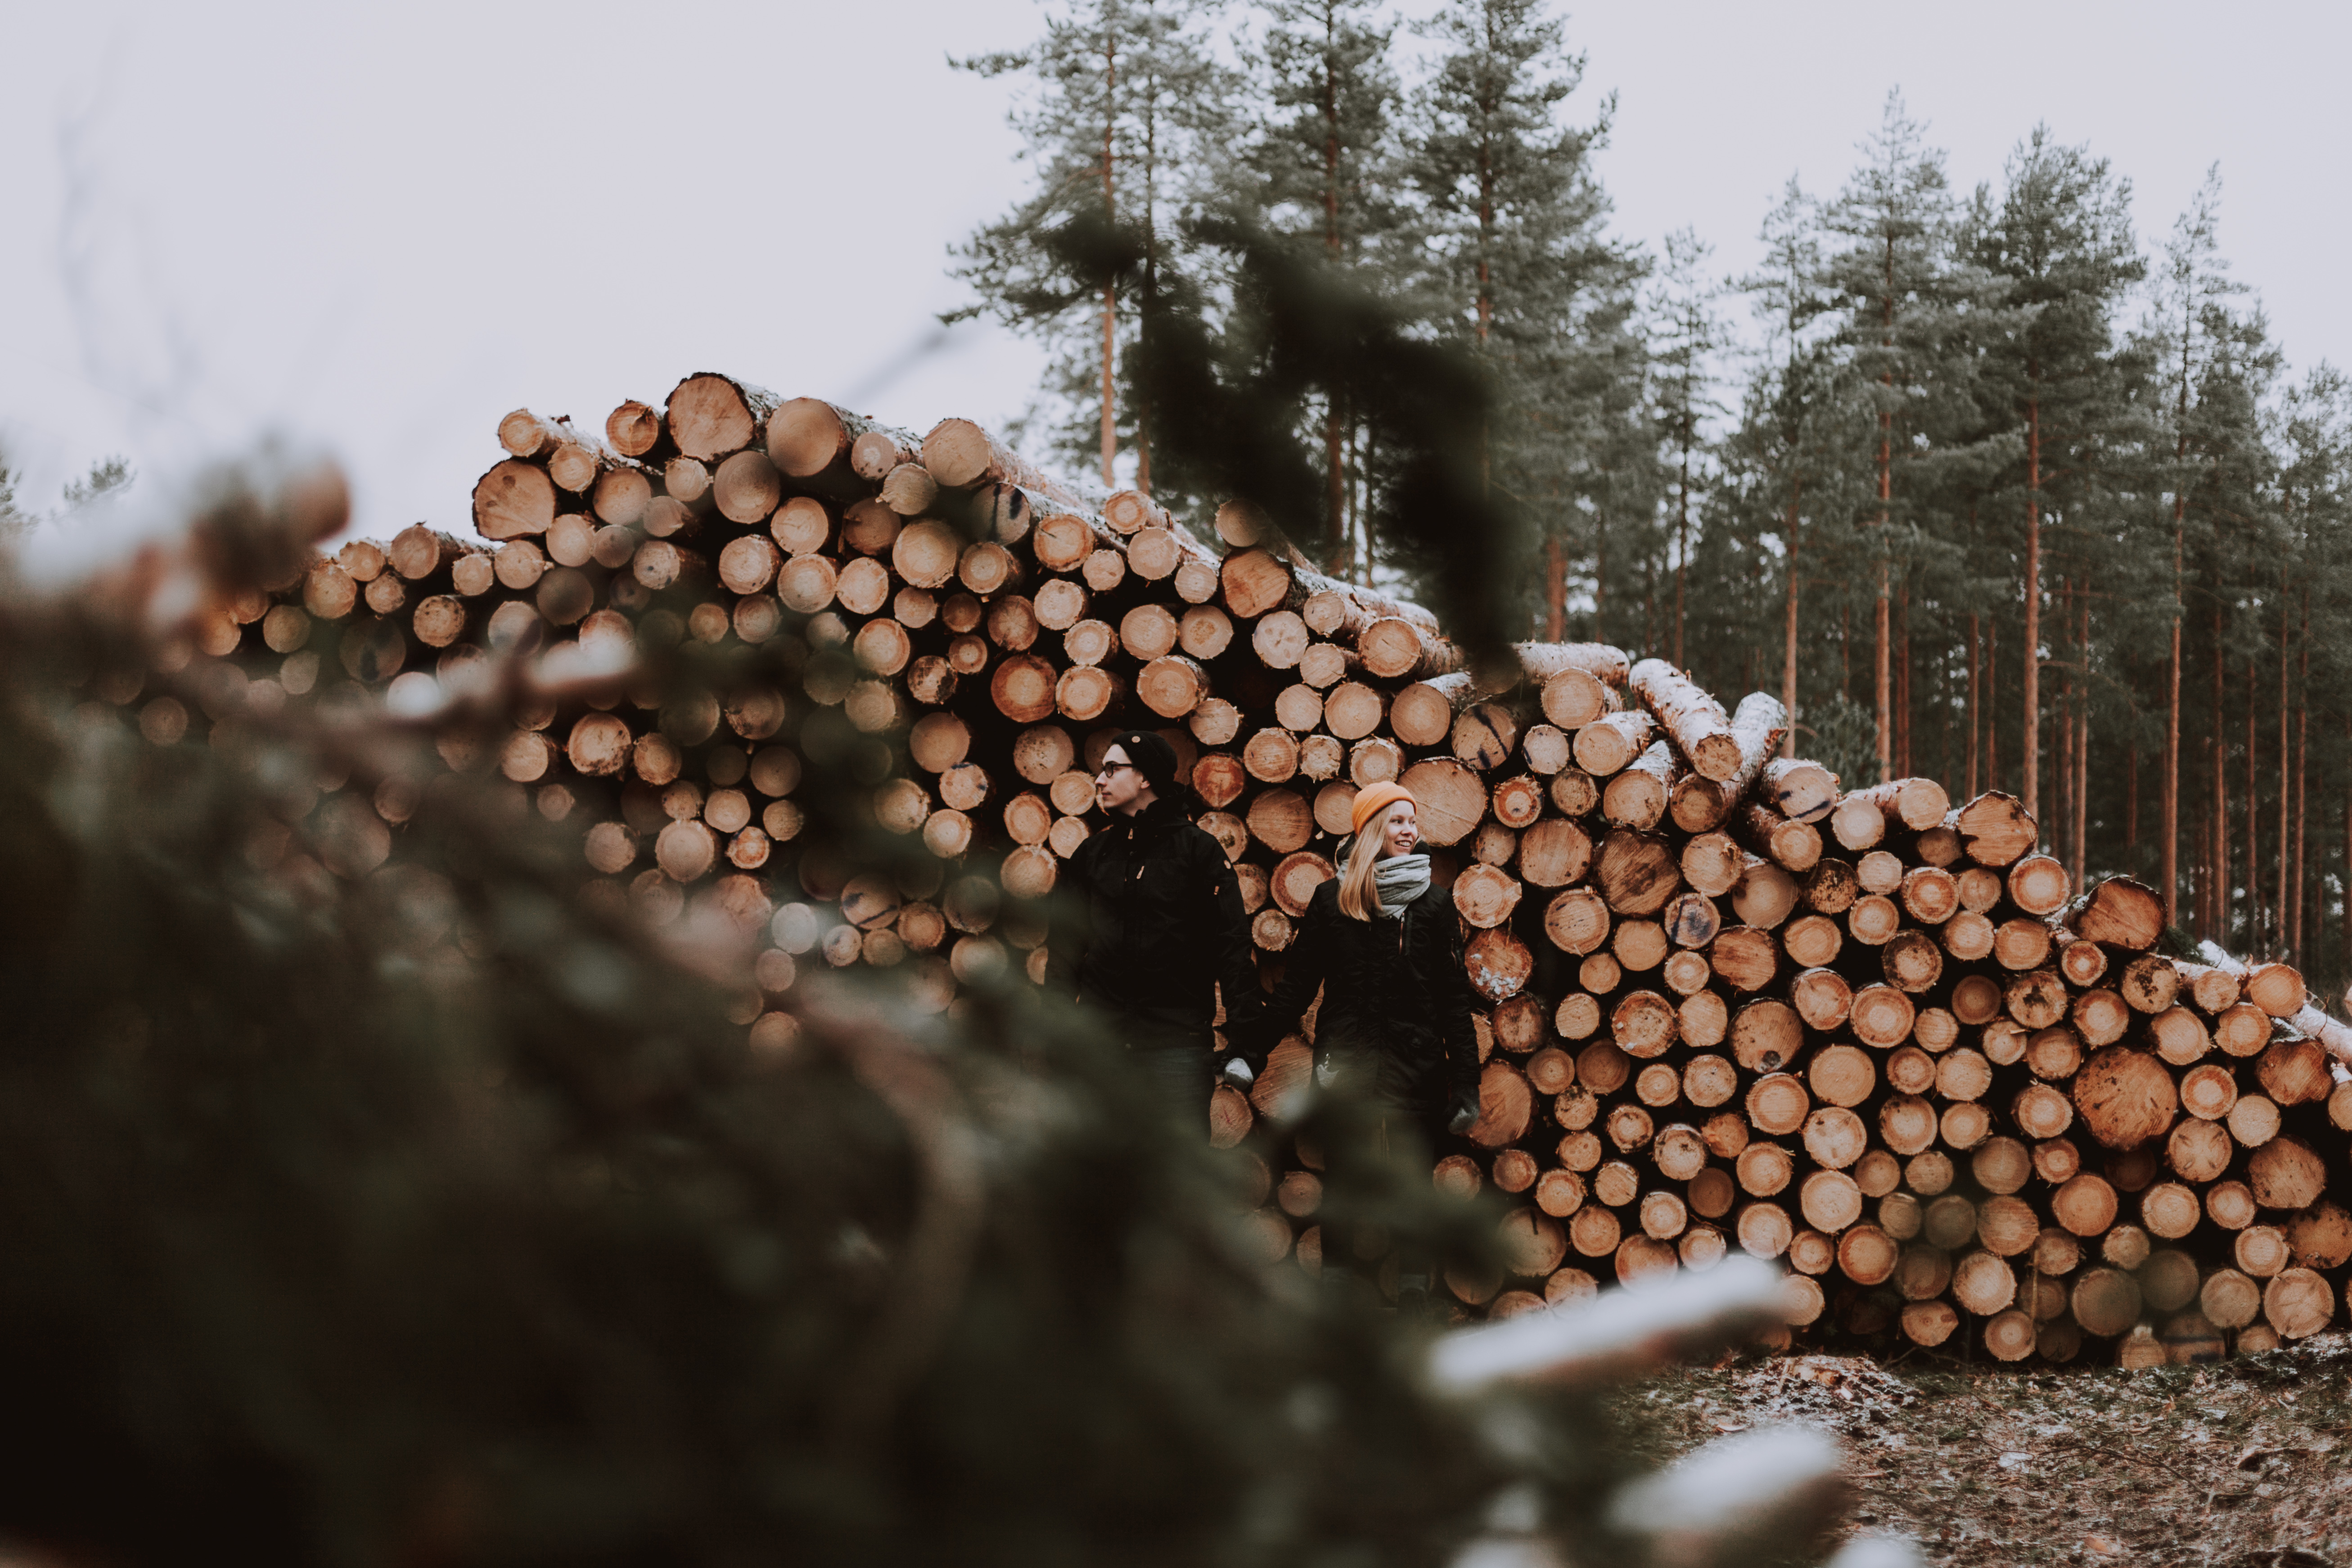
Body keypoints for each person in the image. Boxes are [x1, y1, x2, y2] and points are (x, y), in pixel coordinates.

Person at [1246, 782, 1482, 1307]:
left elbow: (1453, 1003)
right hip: (1345, 1067)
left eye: (1412, 821)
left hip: (1415, 1066)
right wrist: (1250, 1050)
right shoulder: (1332, 901)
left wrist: (1467, 1083)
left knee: (1411, 1184)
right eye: (1396, 820)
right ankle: (1338, 1295)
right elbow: (1296, 988)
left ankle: (1415, 1295)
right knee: (1345, 1186)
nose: (1409, 830)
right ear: (1370, 828)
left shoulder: (1435, 904)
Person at [1044, 729, 1267, 1128]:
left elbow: (1232, 949)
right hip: (1101, 1049)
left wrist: (1245, 1044)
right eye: (1101, 770)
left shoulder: (1199, 853)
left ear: (1146, 778)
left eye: (1112, 769)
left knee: (1177, 1182)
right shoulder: (1091, 856)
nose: (1099, 779)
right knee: (1099, 1174)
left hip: (1175, 1050)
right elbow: (1063, 954)